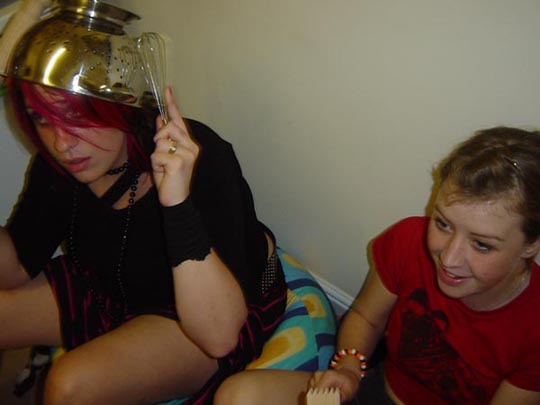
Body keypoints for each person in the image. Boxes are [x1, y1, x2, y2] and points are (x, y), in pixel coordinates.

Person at [0, 0, 286, 403]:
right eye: (43, 119)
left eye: (77, 117)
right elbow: (14, 268)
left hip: (199, 314)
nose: (61, 144)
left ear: (117, 105)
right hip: (107, 290)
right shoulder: (60, 162)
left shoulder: (199, 157)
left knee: (68, 385)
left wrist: (177, 203)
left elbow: (220, 335)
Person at [214, 126, 540, 404]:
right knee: (237, 394)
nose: (449, 258)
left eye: (482, 245)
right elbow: (366, 317)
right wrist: (348, 369)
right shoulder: (408, 241)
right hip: (376, 389)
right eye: (442, 223)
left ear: (531, 245)